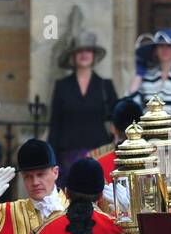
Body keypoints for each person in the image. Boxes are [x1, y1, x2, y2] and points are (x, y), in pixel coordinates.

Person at [47, 32, 118, 183]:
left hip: (100, 154)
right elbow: (55, 125)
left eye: (88, 50)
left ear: (93, 55)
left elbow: (117, 122)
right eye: (79, 51)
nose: (84, 54)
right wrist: (50, 161)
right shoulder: (62, 86)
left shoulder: (105, 86)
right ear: (73, 56)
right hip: (67, 158)